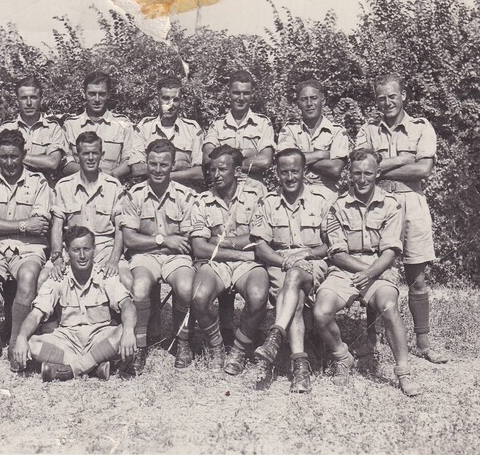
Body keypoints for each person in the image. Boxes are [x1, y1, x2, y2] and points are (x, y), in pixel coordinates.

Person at [312, 148, 421, 397]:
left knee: (389, 306)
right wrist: (370, 272)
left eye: (368, 174)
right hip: (345, 270)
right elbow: (337, 253)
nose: (362, 180)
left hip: (379, 267)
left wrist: (375, 272)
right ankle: (342, 355)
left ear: (378, 173)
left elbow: (391, 251)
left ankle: (403, 372)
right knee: (321, 311)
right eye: (357, 173)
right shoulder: (336, 206)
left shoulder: (391, 204)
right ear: (349, 174)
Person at [355, 73, 448, 364]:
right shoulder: (367, 130)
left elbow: (423, 171)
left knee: (417, 278)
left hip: (412, 203)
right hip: (377, 205)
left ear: (403, 95)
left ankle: (423, 342)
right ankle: (372, 341)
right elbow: (359, 166)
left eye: (392, 96)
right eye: (381, 98)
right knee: (374, 273)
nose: (387, 102)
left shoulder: (421, 127)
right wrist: (403, 160)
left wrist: (379, 167)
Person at [248, 148, 332, 392]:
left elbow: (331, 244)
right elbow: (261, 247)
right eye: (284, 172)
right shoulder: (267, 203)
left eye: (295, 171)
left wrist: (305, 254)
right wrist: (285, 261)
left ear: (304, 171)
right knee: (294, 295)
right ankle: (300, 368)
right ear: (277, 173)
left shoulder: (321, 201)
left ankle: (276, 334)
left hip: (312, 262)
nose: (290, 177)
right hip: (280, 262)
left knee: (294, 278)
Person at [0, 129, 52, 371]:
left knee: (28, 277)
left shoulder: (38, 183)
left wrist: (1, 226)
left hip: (28, 249)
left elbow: (41, 226)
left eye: (14, 156)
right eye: (4, 157)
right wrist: (24, 225)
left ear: (24, 155)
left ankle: (16, 340)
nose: (9, 163)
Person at [12, 226, 138, 382]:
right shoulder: (58, 278)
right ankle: (94, 366)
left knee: (124, 332)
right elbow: (36, 314)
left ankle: (70, 369)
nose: (82, 255)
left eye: (87, 249)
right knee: (31, 343)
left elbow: (127, 305)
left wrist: (129, 330)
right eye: (76, 250)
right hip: (67, 340)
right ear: (66, 252)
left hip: (99, 336)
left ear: (95, 250)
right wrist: (21, 337)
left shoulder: (105, 275)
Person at [190, 145, 269, 372]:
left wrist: (220, 241)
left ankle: (239, 349)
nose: (216, 175)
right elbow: (199, 248)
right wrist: (239, 250)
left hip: (249, 263)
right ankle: (216, 346)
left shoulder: (257, 194)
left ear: (236, 171)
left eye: (222, 170)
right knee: (199, 296)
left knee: (257, 295)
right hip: (218, 263)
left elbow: (260, 236)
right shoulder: (202, 201)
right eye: (212, 170)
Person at [121, 139, 198, 372]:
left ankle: (182, 341)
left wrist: (158, 245)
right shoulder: (134, 195)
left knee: (186, 287)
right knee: (141, 286)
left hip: (176, 259)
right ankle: (141, 344)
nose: (157, 170)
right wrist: (164, 241)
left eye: (163, 165)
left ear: (172, 165)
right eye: (152, 164)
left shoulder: (186, 196)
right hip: (146, 257)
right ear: (146, 163)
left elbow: (187, 244)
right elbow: (129, 239)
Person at [47, 131, 133, 291]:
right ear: (77, 156)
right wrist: (57, 258)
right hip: (72, 250)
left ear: (102, 155)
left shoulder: (113, 186)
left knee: (127, 281)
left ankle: (114, 316)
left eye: (95, 153)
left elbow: (120, 229)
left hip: (105, 249)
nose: (91, 158)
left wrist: (114, 260)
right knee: (44, 281)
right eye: (86, 153)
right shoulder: (64, 186)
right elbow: (57, 227)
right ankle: (58, 316)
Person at [276, 79, 349, 200]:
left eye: (314, 98)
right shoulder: (289, 131)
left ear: (323, 100)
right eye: (304, 99)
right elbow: (286, 163)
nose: (309, 103)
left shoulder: (337, 131)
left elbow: (335, 169)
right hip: (294, 195)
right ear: (298, 103)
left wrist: (299, 161)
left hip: (326, 196)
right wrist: (322, 154)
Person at [62, 71, 140, 180]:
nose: (97, 100)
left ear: (109, 94)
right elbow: (65, 163)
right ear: (84, 94)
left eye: (102, 94)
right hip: (78, 189)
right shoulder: (70, 125)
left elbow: (129, 160)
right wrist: (96, 173)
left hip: (112, 187)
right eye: (92, 94)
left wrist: (110, 176)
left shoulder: (122, 124)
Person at [131, 76, 204, 189]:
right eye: (166, 98)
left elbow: (199, 172)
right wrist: (180, 166)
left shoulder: (192, 129)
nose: (171, 105)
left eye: (175, 99)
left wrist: (161, 172)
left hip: (184, 195)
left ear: (181, 101)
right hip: (150, 194)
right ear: (157, 100)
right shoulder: (144, 128)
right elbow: (137, 168)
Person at [202, 70, 275, 182]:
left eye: (246, 93)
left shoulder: (263, 123)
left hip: (253, 191)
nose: (241, 98)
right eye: (236, 93)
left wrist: (225, 163)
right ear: (228, 93)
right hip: (223, 192)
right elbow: (208, 158)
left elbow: (264, 161)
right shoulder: (217, 125)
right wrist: (248, 152)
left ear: (252, 94)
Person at [0, 76, 67, 184]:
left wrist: (16, 157)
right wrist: (40, 160)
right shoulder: (6, 128)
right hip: (14, 187)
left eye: (33, 97)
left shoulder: (53, 128)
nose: (29, 103)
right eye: (24, 98)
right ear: (17, 101)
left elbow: (53, 162)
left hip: (44, 188)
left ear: (41, 100)